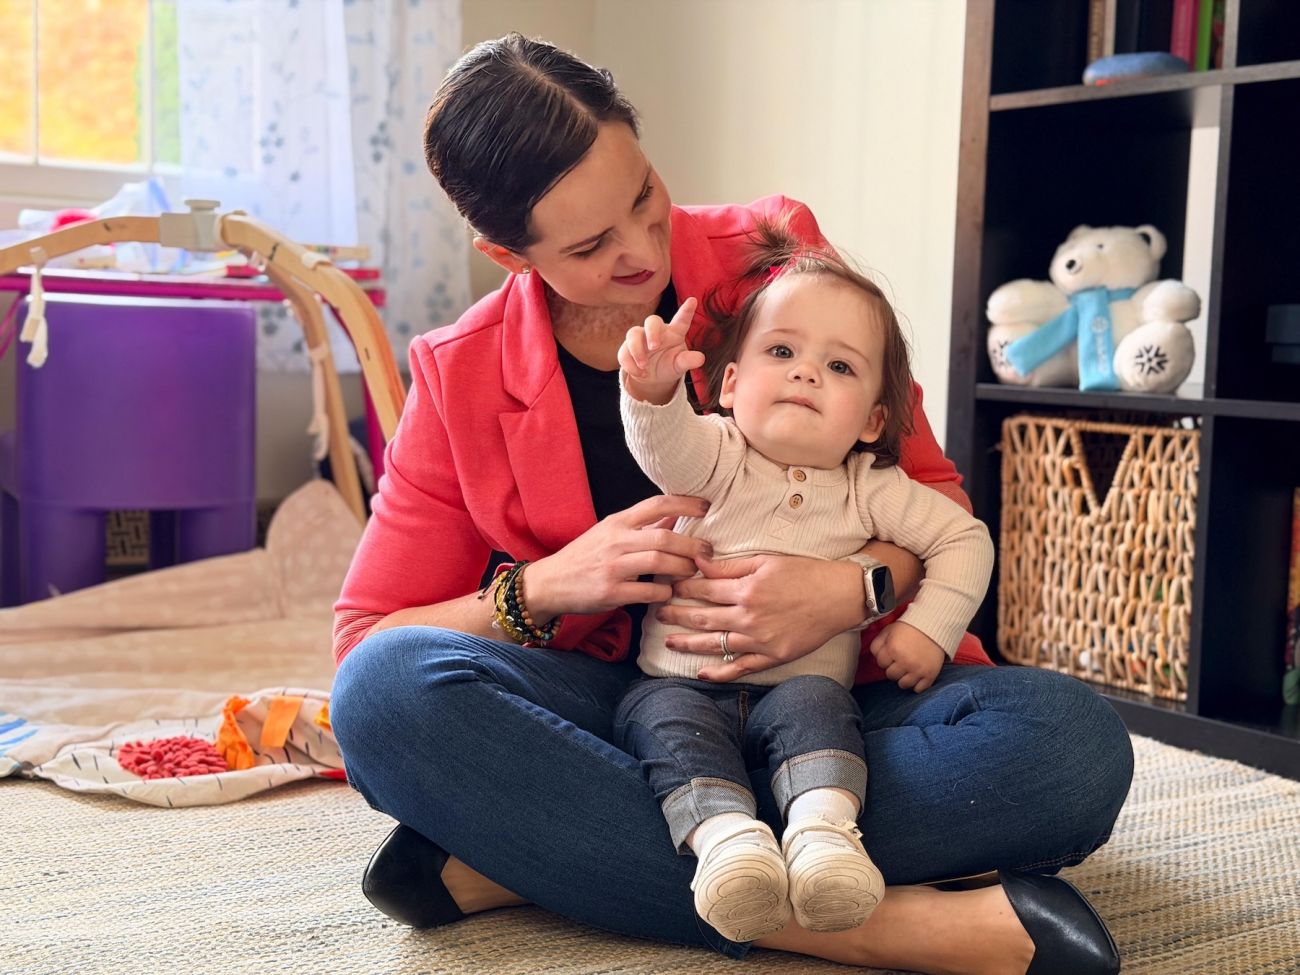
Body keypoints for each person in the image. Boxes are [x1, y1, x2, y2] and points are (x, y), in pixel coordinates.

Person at [330, 32, 1131, 975]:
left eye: (642, 195)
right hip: (629, 707)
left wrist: (852, 590)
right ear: (509, 252)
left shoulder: (770, 255)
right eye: (590, 245)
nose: (640, 251)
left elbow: (932, 495)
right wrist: (541, 587)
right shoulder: (458, 373)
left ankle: (524, 861)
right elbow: (368, 639)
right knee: (384, 700)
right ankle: (876, 923)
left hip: (836, 699)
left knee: (1072, 748)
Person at [613, 234, 994, 942]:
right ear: (729, 386)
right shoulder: (719, 454)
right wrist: (653, 389)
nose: (806, 374)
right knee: (658, 721)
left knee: (823, 708)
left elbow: (963, 537)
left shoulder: (869, 486)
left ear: (873, 420)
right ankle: (730, 845)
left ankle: (823, 838)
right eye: (781, 352)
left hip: (801, 689)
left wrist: (927, 627)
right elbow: (664, 446)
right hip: (681, 681)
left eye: (840, 365)